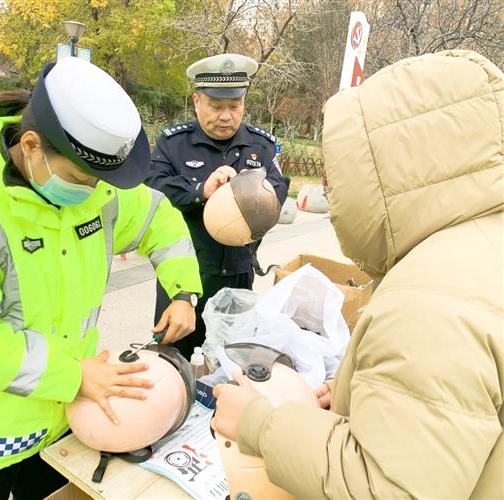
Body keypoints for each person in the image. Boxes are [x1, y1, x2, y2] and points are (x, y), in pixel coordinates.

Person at [0, 57, 202, 500]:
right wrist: (75, 375)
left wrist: (182, 291)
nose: (92, 190)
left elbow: (160, 218)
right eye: (82, 178)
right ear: (30, 146)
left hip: (62, 419)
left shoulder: (95, 190)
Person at [211, 50, 503, 498]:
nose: (331, 185)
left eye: (340, 170)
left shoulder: (430, 306)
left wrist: (260, 423)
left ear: (383, 171)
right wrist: (353, 390)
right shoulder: (476, 245)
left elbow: (387, 488)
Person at [146, 53, 290, 359]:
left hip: (238, 276)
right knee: (173, 360)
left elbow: (278, 188)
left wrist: (248, 194)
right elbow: (153, 189)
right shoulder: (173, 144)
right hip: (185, 277)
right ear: (197, 101)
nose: (226, 116)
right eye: (216, 106)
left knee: (231, 361)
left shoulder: (260, 146)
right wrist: (201, 191)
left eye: (234, 106)